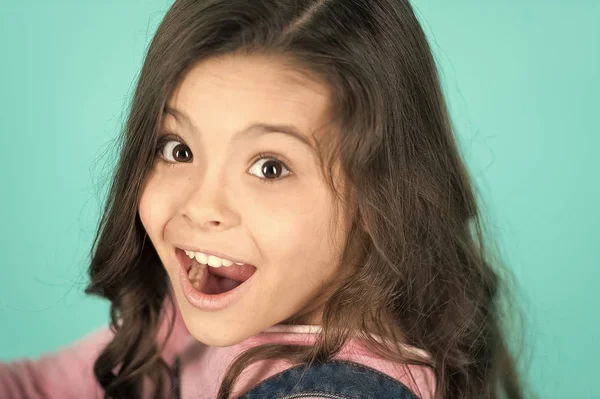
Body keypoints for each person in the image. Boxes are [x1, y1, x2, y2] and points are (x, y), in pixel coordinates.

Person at [0, 0, 527, 398]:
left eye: (269, 167)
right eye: (178, 149)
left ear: (380, 198)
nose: (202, 207)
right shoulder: (201, 312)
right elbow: (38, 385)